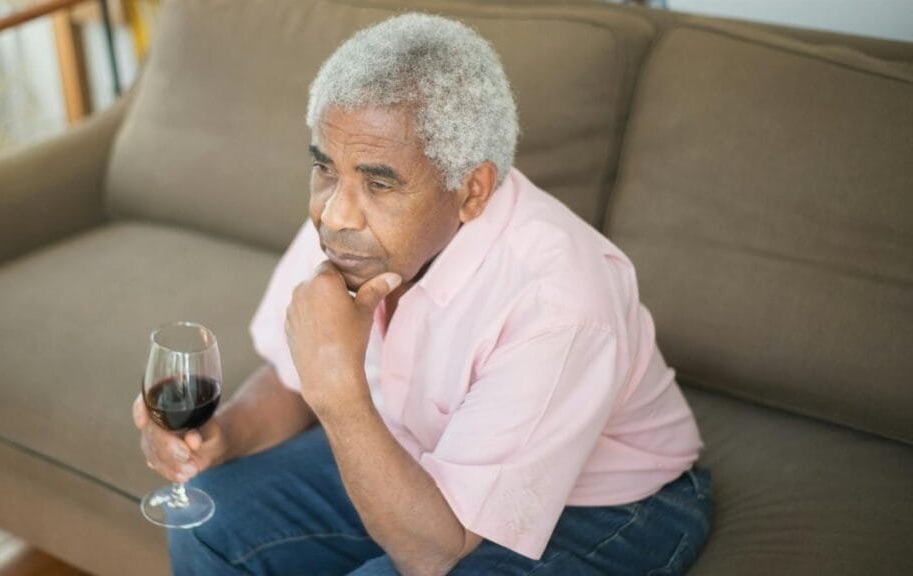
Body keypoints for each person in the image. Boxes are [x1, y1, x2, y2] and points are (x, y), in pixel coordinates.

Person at [132, 13, 712, 576]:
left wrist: (338, 391)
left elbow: (435, 554)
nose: (333, 213)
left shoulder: (558, 304)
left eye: (380, 182)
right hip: (420, 451)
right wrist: (221, 439)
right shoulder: (351, 227)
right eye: (326, 169)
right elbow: (291, 378)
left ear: (472, 191)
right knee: (209, 521)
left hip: (606, 505)